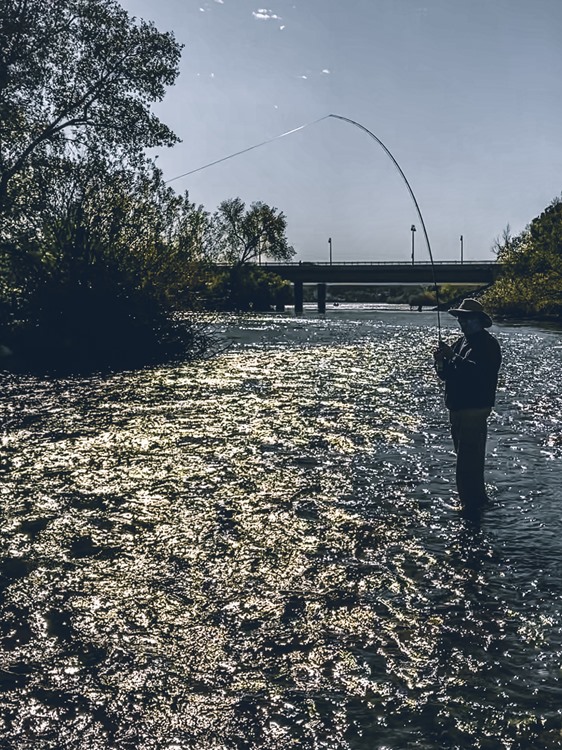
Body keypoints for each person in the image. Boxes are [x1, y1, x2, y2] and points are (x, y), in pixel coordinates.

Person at [433, 298, 501, 506]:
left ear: (480, 320)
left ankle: (473, 506)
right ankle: (471, 504)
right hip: (457, 409)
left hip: (475, 410)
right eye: (461, 318)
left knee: (467, 464)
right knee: (464, 461)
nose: (463, 322)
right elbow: (448, 376)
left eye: (468, 318)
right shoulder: (460, 343)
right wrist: (440, 363)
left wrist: (453, 357)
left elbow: (478, 373)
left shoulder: (489, 344)